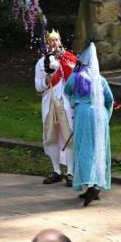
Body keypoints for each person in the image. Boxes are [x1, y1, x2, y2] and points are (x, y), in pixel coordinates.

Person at [64, 43, 114, 207]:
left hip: (84, 115)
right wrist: (106, 117)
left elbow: (67, 91)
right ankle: (96, 184)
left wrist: (75, 103)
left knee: (84, 148)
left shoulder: (75, 77)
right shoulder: (100, 79)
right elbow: (109, 100)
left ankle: (91, 186)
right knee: (98, 148)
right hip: (100, 115)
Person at [35, 29, 77, 187]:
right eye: (51, 41)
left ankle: (71, 173)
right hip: (49, 103)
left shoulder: (70, 59)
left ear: (60, 41)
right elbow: (38, 86)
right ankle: (56, 171)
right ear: (47, 44)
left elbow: (78, 81)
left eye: (57, 40)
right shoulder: (41, 62)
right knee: (50, 137)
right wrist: (47, 79)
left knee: (69, 137)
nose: (54, 43)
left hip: (66, 103)